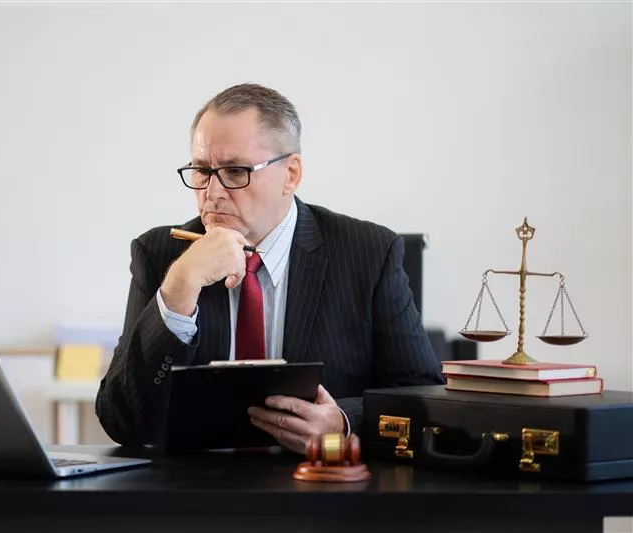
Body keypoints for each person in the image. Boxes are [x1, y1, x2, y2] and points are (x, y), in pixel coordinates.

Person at [96, 83, 444, 453]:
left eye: (235, 171)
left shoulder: (369, 253)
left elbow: (423, 397)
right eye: (202, 171)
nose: (212, 193)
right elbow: (121, 421)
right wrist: (180, 288)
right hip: (195, 483)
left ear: (290, 174)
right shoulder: (160, 254)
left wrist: (343, 423)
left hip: (320, 479)